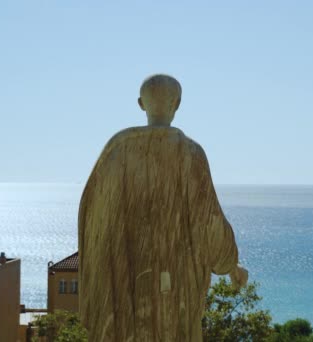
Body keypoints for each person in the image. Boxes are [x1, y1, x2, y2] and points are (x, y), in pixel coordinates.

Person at [78, 74, 248, 341]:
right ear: (177, 104)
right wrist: (230, 265)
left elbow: (93, 219)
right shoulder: (190, 154)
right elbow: (208, 221)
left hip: (125, 290)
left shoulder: (115, 153)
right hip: (175, 291)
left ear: (141, 104)